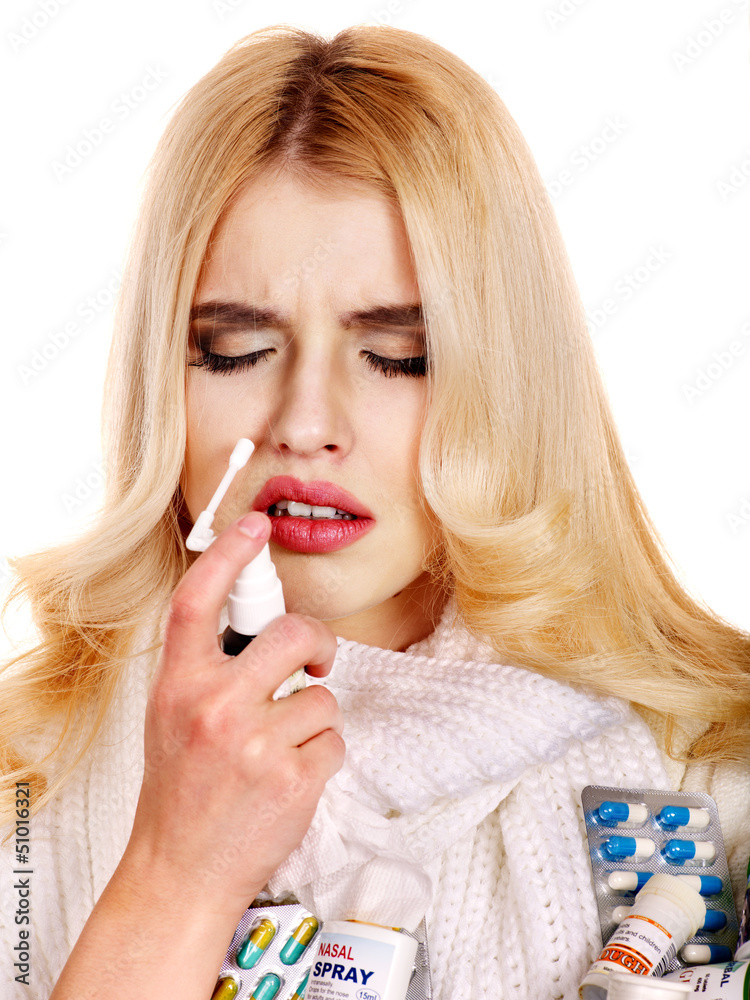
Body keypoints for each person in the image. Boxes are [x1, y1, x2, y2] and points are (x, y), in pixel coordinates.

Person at [1, 22, 749, 1000]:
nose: (306, 425)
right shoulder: (24, 783)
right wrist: (171, 880)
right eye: (234, 350)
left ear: (511, 380)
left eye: (399, 356)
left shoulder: (707, 773)